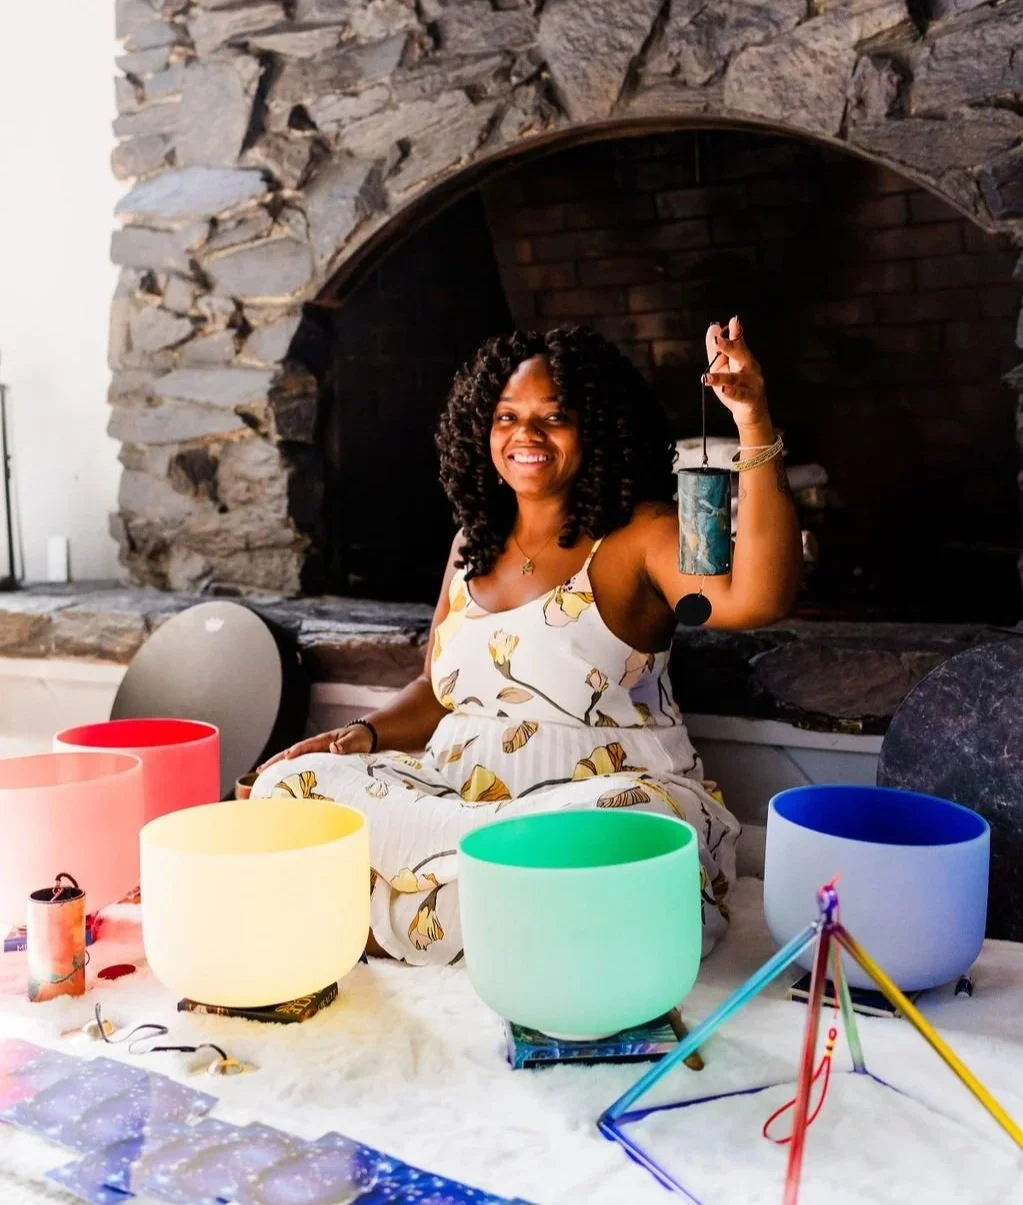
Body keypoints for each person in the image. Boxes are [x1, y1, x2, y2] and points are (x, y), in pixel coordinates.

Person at [252, 319, 801, 965]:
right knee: (287, 783)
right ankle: (494, 883)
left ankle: (403, 902)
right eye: (507, 417)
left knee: (626, 830)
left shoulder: (641, 535)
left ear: (597, 427)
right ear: (479, 429)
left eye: (554, 416)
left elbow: (757, 598)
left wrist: (753, 423)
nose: (526, 435)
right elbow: (437, 689)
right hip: (454, 791)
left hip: (598, 797)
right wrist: (363, 734)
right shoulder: (471, 543)